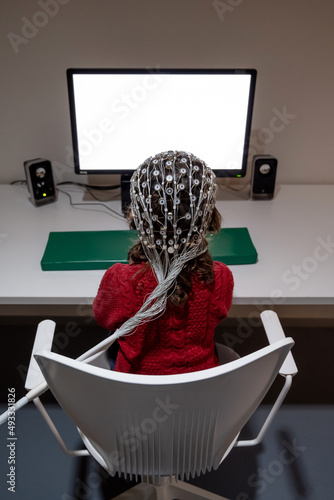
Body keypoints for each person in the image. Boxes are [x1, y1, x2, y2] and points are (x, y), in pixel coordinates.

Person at [93, 150, 234, 375]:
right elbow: (219, 314)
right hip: (202, 391)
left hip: (134, 390)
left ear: (135, 217)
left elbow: (103, 318)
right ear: (208, 217)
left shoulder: (119, 279)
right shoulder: (220, 277)